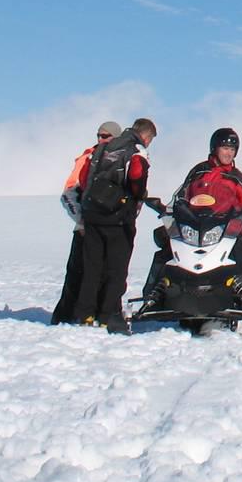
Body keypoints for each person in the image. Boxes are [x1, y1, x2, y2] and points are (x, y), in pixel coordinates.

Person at [141, 126, 242, 311]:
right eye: (225, 148)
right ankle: (153, 296)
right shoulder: (198, 171)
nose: (229, 153)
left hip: (225, 226)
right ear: (215, 148)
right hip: (194, 223)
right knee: (166, 246)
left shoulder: (237, 178)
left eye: (232, 149)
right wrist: (167, 211)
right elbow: (180, 196)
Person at [72, 117, 156, 331]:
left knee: (92, 267)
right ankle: (109, 315)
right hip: (118, 218)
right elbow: (137, 176)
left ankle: (85, 314)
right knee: (116, 269)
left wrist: (86, 210)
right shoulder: (136, 150)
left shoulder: (106, 146)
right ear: (146, 136)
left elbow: (88, 179)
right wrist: (138, 196)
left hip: (92, 215)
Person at [51, 121, 121, 325]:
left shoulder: (124, 158)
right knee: (77, 274)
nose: (101, 139)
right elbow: (69, 193)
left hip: (111, 228)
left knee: (107, 274)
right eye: (99, 135)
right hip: (86, 228)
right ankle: (66, 316)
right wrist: (81, 222)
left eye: (106, 136)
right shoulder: (87, 158)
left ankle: (101, 314)